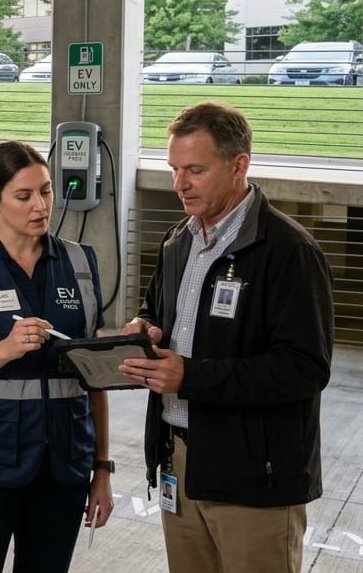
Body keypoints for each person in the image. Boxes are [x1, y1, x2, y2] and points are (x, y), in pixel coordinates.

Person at [119, 101, 333, 573]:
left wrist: (190, 377)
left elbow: (304, 368)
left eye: (195, 169)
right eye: (175, 169)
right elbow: (156, 310)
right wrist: (145, 328)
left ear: (239, 165)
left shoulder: (289, 252)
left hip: (254, 478)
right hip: (179, 461)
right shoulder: (179, 241)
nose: (180, 184)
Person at [0, 140, 113, 573]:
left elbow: (94, 379)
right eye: (24, 196)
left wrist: (101, 469)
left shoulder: (80, 262)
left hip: (63, 470)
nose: (40, 206)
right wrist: (5, 350)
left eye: (46, 191)